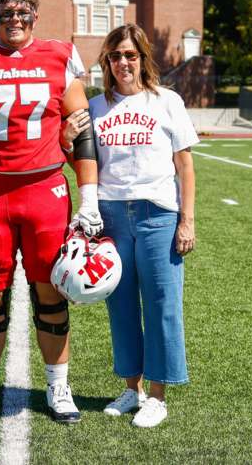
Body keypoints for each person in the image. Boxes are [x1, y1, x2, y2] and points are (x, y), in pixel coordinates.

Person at [0, 0, 102, 426]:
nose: (15, 19)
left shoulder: (60, 55)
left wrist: (88, 198)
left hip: (44, 189)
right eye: (6, 13)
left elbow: (82, 131)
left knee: (50, 293)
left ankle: (58, 386)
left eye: (23, 12)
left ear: (35, 15)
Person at [84, 23, 197, 428]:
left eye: (130, 55)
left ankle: (159, 395)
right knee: (121, 306)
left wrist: (187, 220)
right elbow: (89, 164)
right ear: (107, 62)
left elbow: (185, 165)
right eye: (115, 56)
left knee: (162, 305)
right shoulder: (97, 106)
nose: (123, 63)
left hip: (158, 214)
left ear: (142, 58)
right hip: (111, 215)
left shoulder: (166, 101)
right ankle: (133, 389)